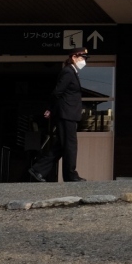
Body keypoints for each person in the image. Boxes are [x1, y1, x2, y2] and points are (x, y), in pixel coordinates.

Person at [28, 49, 88, 182]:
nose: (84, 61)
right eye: (82, 57)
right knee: (70, 145)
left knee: (62, 145)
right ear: (74, 57)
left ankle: (38, 170)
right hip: (66, 114)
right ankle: (70, 175)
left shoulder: (72, 72)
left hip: (69, 114)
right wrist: (50, 108)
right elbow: (57, 92)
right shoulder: (68, 72)